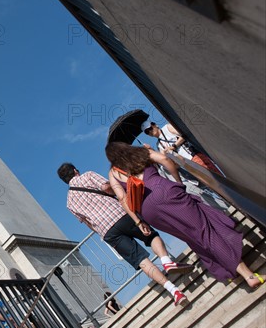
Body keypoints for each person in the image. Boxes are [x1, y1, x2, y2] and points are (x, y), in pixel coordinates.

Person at [105, 142, 264, 289]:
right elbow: (165, 159)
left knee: (192, 237)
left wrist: (139, 222)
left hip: (148, 211)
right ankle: (248, 275)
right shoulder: (140, 152)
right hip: (166, 193)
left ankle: (226, 270)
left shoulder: (113, 172)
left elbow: (122, 199)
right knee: (204, 232)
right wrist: (177, 180)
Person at [57, 163, 194, 307]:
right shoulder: (88, 175)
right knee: (151, 236)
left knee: (140, 260)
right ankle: (166, 262)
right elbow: (106, 187)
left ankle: (173, 291)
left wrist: (102, 233)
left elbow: (87, 223)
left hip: (108, 232)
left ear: (64, 180)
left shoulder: (69, 202)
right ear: (75, 170)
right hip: (120, 214)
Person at [141, 120, 223, 175]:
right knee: (213, 186)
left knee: (217, 176)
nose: (150, 131)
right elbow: (167, 162)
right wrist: (152, 151)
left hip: (194, 157)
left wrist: (173, 146)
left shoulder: (167, 128)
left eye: (150, 128)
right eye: (147, 132)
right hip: (187, 166)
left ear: (155, 125)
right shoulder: (159, 145)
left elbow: (184, 135)